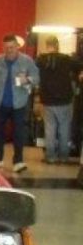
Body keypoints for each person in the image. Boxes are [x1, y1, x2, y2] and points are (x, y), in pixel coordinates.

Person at [0, 34, 40, 173]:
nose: (10, 50)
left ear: (17, 47)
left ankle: (18, 161)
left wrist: (27, 80)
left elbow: (37, 78)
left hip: (19, 103)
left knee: (19, 133)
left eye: (12, 47)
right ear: (3, 47)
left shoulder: (27, 61)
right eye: (7, 47)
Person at [36, 36, 83, 164]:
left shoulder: (40, 60)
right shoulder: (67, 59)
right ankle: (63, 157)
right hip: (65, 99)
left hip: (47, 99)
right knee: (64, 128)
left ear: (47, 45)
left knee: (50, 129)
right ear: (57, 45)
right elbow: (80, 67)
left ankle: (50, 157)